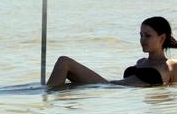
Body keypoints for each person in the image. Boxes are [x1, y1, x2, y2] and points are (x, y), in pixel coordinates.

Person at [47, 16, 177, 88]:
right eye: (141, 35)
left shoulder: (171, 65)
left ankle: (45, 98)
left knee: (64, 62)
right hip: (109, 87)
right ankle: (47, 96)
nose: (142, 40)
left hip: (109, 90)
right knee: (64, 64)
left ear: (162, 38)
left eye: (147, 36)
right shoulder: (141, 61)